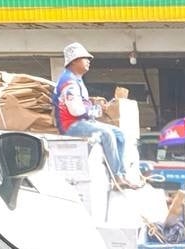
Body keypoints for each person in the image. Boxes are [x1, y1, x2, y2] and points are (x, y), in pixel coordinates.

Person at [53, 42, 136, 189]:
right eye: (85, 58)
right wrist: (95, 110)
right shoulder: (68, 82)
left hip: (83, 122)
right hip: (71, 125)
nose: (88, 61)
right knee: (107, 133)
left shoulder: (76, 79)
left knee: (119, 134)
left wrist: (93, 108)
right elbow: (76, 111)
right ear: (74, 61)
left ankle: (122, 174)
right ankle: (116, 177)